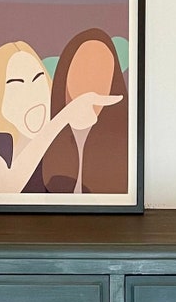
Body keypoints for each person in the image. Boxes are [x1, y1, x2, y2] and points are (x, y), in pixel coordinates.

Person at [0, 41, 122, 195]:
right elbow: (4, 188)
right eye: (17, 84)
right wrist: (63, 118)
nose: (31, 92)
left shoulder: (59, 149)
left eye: (37, 78)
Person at [43, 29, 129, 195]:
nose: (93, 82)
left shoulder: (123, 140)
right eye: (84, 68)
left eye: (103, 71)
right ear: (65, 73)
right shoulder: (43, 137)